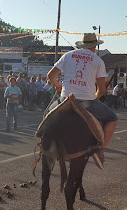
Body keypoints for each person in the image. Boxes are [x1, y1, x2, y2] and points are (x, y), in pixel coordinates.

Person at [47, 32, 118, 168]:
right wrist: (95, 98)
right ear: (94, 46)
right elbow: (102, 90)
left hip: (65, 99)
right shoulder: (98, 61)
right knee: (112, 119)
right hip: (87, 102)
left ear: (83, 44)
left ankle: (45, 143)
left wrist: (58, 85)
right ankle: (100, 149)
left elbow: (51, 75)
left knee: (47, 115)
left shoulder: (68, 55)